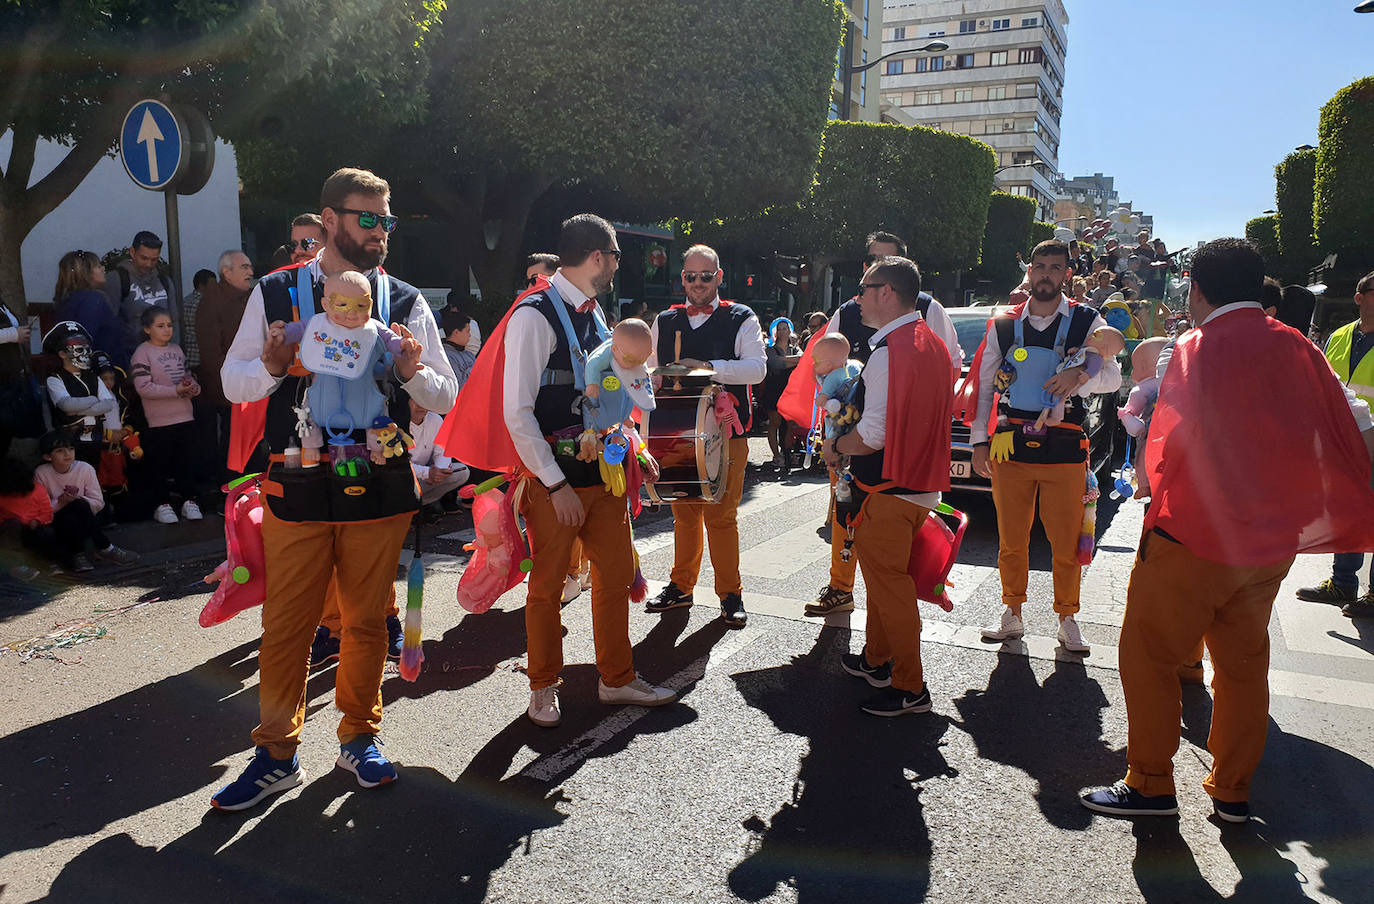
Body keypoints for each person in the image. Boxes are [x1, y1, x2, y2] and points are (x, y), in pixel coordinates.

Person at [1080, 238, 1374, 821]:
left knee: (1149, 656)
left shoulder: (1193, 347)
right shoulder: (1300, 347)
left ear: (1195, 288)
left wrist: (1154, 486)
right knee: (1243, 666)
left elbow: (1168, 436)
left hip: (1194, 534)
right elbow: (1354, 420)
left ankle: (1151, 784)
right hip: (1270, 541)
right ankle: (1233, 791)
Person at [212, 167, 457, 810]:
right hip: (294, 481)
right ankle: (275, 753)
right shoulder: (274, 292)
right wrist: (268, 366)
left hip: (378, 481)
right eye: (367, 219)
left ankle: (358, 736)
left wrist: (412, 375)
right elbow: (233, 382)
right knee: (287, 623)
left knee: (366, 620)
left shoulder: (403, 302)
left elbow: (444, 394)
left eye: (387, 221)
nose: (380, 233)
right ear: (329, 220)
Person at [436, 212, 675, 728]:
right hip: (557, 482)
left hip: (604, 477)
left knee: (613, 579)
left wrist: (634, 443)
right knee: (546, 589)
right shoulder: (533, 314)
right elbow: (516, 412)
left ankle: (616, 678)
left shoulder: (594, 313)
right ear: (597, 257)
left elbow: (607, 394)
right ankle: (542, 687)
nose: (616, 265)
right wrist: (556, 483)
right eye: (614, 256)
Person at [782, 231, 962, 618]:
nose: (865, 282)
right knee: (845, 519)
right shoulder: (847, 312)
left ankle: (894, 660)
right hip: (853, 439)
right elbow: (822, 364)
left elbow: (945, 370)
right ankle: (841, 587)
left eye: (881, 266)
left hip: (884, 456)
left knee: (886, 562)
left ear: (894, 285)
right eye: (869, 263)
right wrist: (832, 422)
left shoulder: (926, 314)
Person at [971, 240, 1122, 653]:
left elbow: (1113, 377)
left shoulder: (1088, 321)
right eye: (1038, 266)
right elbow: (986, 386)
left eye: (1054, 268)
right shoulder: (1003, 324)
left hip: (1065, 446)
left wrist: (1078, 378)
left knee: (1067, 540)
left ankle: (1067, 617)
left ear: (1067, 274)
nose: (1045, 274)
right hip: (1009, 446)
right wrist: (979, 442)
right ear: (1029, 270)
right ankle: (1012, 614)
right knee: (1011, 538)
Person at [824, 256, 952, 715]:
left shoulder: (890, 351)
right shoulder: (932, 343)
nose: (857, 297)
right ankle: (878, 661)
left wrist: (837, 445)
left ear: (887, 292)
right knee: (884, 583)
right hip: (917, 487)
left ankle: (909, 684)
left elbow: (873, 434)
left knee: (890, 588)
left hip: (889, 489)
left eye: (863, 288)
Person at [644, 243, 767, 628]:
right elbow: (645, 371)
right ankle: (681, 586)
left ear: (719, 277)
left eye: (706, 276)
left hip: (727, 433)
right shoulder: (665, 319)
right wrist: (658, 376)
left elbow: (757, 369)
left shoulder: (741, 318)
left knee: (721, 517)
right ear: (682, 278)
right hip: (675, 433)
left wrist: (709, 368)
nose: (697, 283)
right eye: (690, 276)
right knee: (682, 513)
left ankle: (731, 594)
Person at [1297, 269, 1374, 618]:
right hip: (1345, 439)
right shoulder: (1341, 336)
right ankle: (1343, 582)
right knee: (1347, 509)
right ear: (1360, 297)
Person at [131, 306, 203, 523]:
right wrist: (175, 391)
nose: (167, 330)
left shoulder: (177, 350)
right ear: (147, 329)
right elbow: (143, 388)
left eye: (170, 325)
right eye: (160, 326)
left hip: (185, 416)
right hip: (158, 421)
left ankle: (189, 501)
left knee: (186, 462)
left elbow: (186, 376)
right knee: (159, 465)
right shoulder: (142, 353)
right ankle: (161, 505)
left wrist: (192, 387)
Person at [28, 429, 138, 571]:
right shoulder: (42, 472)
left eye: (71, 449)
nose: (67, 454)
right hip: (56, 518)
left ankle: (80, 555)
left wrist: (76, 499)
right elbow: (39, 508)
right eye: (60, 451)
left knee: (78, 505)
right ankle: (103, 548)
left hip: (83, 515)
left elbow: (98, 502)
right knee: (71, 512)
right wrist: (61, 502)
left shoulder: (84, 469)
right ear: (48, 457)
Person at [196, 250, 256, 478]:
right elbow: (211, 353)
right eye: (244, 267)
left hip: (256, 382)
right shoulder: (212, 301)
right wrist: (238, 382)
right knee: (233, 444)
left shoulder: (252, 297)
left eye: (250, 267)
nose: (250, 272)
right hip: (230, 388)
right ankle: (230, 495)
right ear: (226, 273)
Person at [42, 321, 120, 467]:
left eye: (86, 349)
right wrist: (93, 399)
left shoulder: (93, 377)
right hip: (69, 443)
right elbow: (66, 405)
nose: (84, 354)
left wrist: (77, 410)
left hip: (95, 439)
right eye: (78, 349)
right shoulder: (55, 379)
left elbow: (109, 403)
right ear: (62, 354)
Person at [105, 230, 175, 368]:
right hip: (130, 361)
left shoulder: (165, 282)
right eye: (144, 258)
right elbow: (108, 326)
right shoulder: (117, 279)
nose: (149, 264)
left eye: (154, 259)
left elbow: (175, 322)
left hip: (164, 362)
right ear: (132, 252)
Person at [54, 251, 122, 362]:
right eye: (98, 266)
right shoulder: (92, 300)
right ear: (87, 273)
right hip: (100, 367)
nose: (103, 269)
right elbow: (86, 339)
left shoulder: (69, 300)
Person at [407, 397, 469, 514]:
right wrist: (427, 473)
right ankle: (407, 507)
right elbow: (398, 465)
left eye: (424, 400)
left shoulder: (435, 419)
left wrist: (440, 472)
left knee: (463, 472)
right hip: (404, 479)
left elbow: (442, 451)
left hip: (427, 477)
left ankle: (420, 504)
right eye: (416, 400)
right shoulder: (396, 422)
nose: (421, 406)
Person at [759, 317, 801, 471]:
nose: (783, 331)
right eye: (780, 328)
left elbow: (803, 360)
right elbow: (776, 363)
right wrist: (792, 361)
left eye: (785, 328)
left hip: (790, 391)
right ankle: (776, 455)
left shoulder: (795, 349)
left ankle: (787, 453)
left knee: (790, 424)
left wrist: (785, 360)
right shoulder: (769, 349)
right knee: (774, 424)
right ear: (774, 331)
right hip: (773, 390)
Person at [439, 306, 477, 394]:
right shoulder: (445, 357)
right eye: (467, 331)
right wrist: (473, 370)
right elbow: (458, 389)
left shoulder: (469, 355)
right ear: (456, 332)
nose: (470, 335)